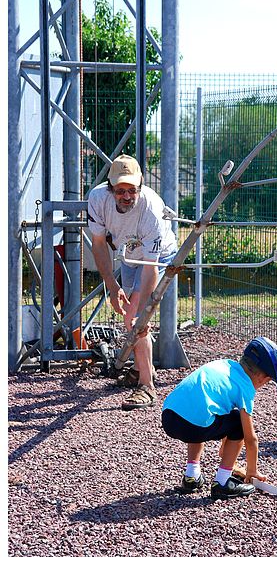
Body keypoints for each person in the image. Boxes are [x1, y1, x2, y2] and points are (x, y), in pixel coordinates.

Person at [87, 154, 177, 410]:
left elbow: (150, 267)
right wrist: (112, 287)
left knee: (136, 317)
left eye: (131, 190)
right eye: (120, 191)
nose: (126, 196)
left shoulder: (151, 208)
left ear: (140, 186)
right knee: (132, 314)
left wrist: (137, 306)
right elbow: (99, 245)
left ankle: (147, 387)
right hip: (127, 254)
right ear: (110, 189)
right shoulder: (97, 199)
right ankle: (139, 370)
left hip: (156, 257)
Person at [161, 336, 277, 500]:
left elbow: (214, 408)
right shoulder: (246, 387)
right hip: (192, 426)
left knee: (202, 410)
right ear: (263, 378)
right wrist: (252, 470)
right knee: (237, 424)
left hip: (169, 417)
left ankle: (192, 477)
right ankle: (222, 482)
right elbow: (251, 439)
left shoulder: (223, 364)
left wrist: (225, 448)